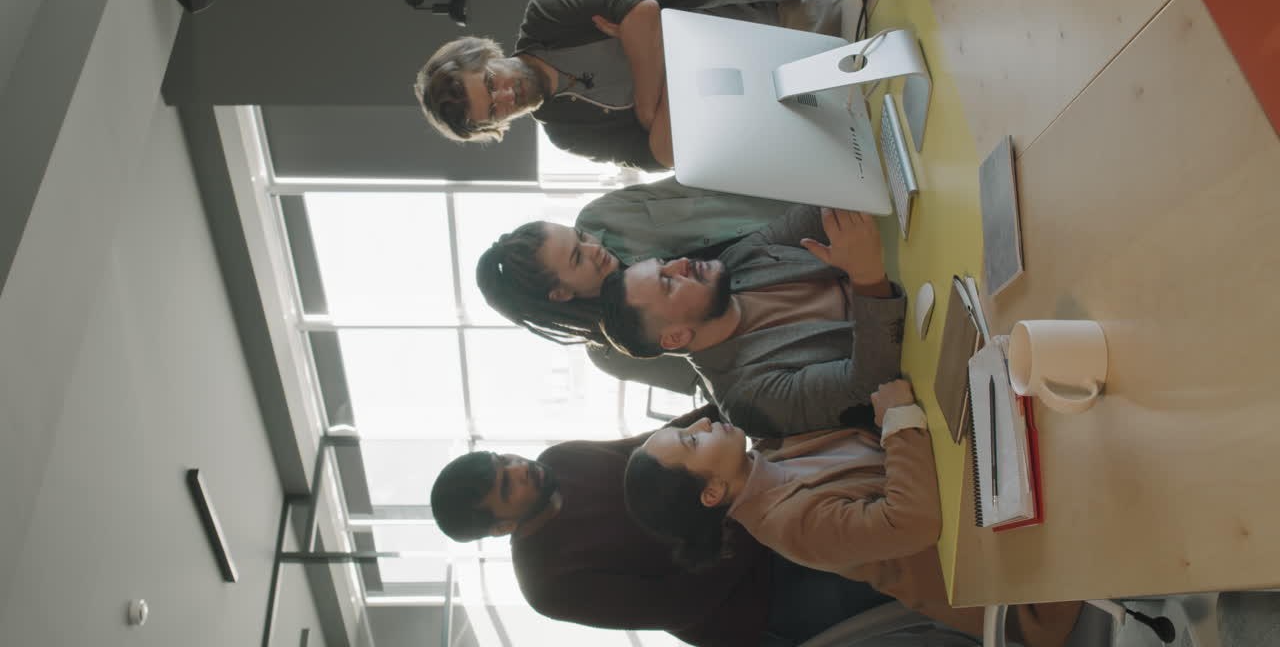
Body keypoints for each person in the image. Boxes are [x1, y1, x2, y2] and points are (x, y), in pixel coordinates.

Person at [623, 379, 1083, 647]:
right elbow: (913, 522)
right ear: (713, 492)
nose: (702, 422)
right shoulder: (789, 525)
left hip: (996, 504)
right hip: (1019, 580)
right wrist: (901, 419)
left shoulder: (771, 452)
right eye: (692, 441)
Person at [429, 405, 905, 646]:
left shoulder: (561, 459)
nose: (520, 468)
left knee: (889, 508)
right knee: (901, 578)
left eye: (504, 461)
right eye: (507, 487)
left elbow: (651, 449)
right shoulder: (547, 584)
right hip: (760, 602)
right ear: (500, 527)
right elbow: (679, 603)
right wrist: (742, 511)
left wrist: (719, 417)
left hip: (758, 509)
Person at [414, 0, 842, 171]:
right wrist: (656, 55)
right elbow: (666, 155)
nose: (506, 96)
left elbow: (640, 10)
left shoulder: (547, 16)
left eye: (491, 83)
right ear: (495, 127)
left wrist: (649, 110)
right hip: (779, 110)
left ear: (487, 54)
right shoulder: (569, 134)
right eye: (493, 110)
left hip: (778, 21)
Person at [599, 205, 906, 437]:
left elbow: (826, 208)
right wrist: (866, 277)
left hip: (918, 269)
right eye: (668, 282)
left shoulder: (738, 260)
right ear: (676, 337)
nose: (682, 263)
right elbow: (870, 382)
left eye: (665, 264)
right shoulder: (748, 398)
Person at [475, 176, 791, 394]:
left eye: (580, 237)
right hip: (794, 316)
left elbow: (696, 183)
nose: (594, 247)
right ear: (560, 294)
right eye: (576, 258)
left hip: (793, 209)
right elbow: (720, 379)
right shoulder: (612, 355)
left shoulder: (603, 216)